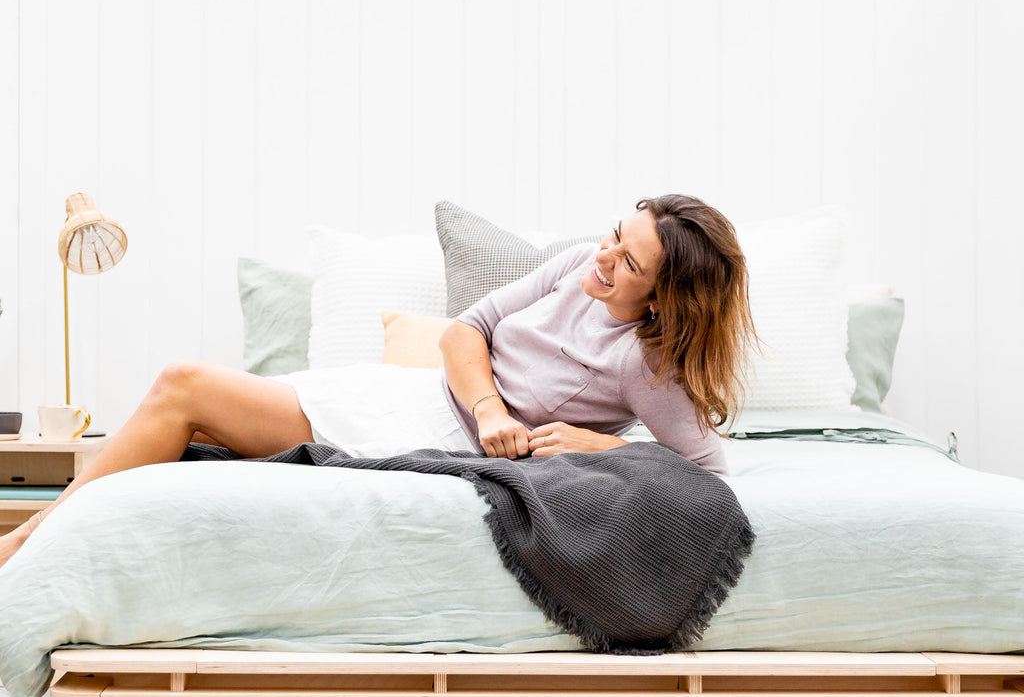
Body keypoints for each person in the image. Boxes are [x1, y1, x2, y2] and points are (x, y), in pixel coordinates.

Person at [0, 194, 755, 568]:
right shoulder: (571, 267)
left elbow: (707, 472)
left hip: (430, 440)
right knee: (187, 410)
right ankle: (39, 539)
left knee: (184, 390)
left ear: (662, 297)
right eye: (615, 235)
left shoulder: (648, 366)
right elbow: (466, 329)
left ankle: (30, 542)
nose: (604, 258)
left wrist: (596, 447)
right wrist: (489, 401)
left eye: (627, 263)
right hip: (417, 397)